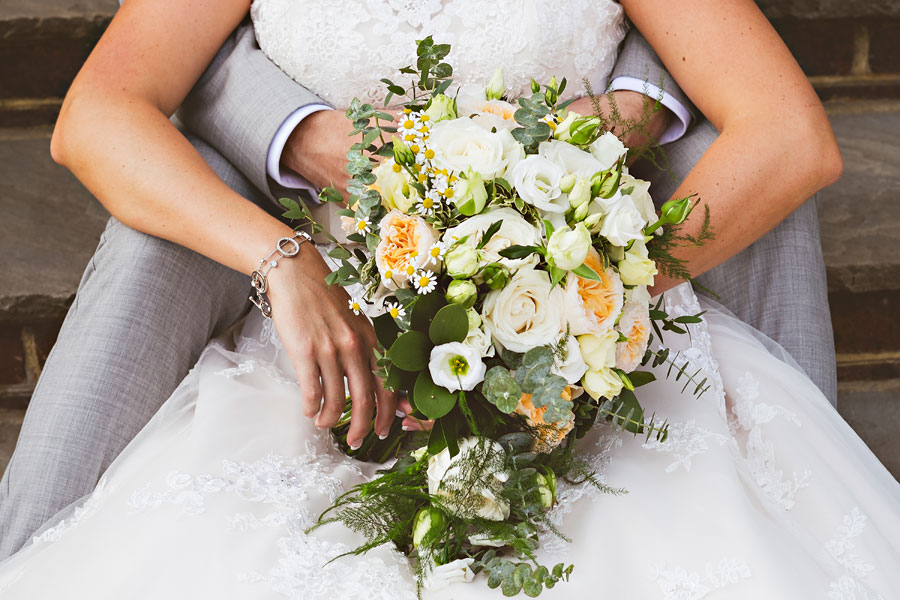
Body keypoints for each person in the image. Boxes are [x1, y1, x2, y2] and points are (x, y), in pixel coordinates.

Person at [4, 0, 892, 596]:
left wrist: (581, 294)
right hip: (321, 339)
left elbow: (790, 135)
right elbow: (98, 113)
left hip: (570, 338)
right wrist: (280, 261)